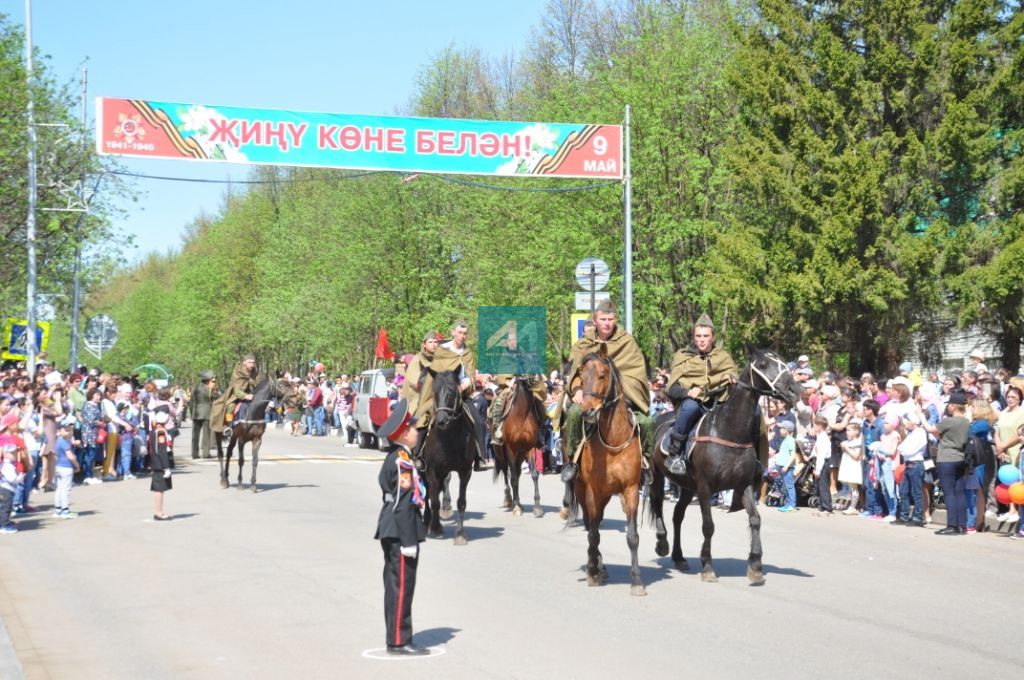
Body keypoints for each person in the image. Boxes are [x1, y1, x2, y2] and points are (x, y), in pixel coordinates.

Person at [561, 300, 652, 482]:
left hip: (621, 397)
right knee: (573, 414)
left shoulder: (627, 342)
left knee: (647, 421)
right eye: (603, 319)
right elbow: (575, 373)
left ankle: (644, 462)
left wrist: (621, 390)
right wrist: (578, 389)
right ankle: (572, 460)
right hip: (590, 397)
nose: (607, 323)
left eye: (610, 319)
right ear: (595, 321)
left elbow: (636, 373)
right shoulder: (583, 344)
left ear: (615, 320)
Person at [373, 399, 429, 656]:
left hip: (393, 528)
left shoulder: (400, 457)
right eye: (414, 428)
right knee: (402, 587)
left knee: (397, 586)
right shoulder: (401, 461)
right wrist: (408, 541)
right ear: (404, 433)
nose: (417, 432)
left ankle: (396, 636)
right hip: (399, 530)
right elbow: (402, 503)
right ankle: (398, 641)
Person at [662, 313, 738, 475]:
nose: (702, 339)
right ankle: (674, 454)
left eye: (705, 336)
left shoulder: (722, 357)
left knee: (751, 411)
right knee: (690, 407)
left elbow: (733, 373)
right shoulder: (683, 356)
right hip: (693, 404)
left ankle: (751, 458)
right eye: (698, 336)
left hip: (719, 402)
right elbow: (671, 388)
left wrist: (732, 379)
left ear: (713, 337)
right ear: (694, 337)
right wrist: (688, 392)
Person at [212, 355, 260, 437]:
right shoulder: (238, 372)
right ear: (244, 362)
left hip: (251, 395)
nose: (251, 364)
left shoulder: (255, 372)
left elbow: (258, 385)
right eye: (249, 362)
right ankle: (228, 426)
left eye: (253, 362)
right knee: (230, 406)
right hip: (235, 395)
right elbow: (236, 390)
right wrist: (246, 396)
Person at [52, 417, 80, 519]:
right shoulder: (63, 441)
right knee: (65, 489)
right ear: (59, 431)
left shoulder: (59, 441)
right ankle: (65, 510)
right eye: (67, 430)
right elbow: (70, 456)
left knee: (59, 489)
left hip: (59, 467)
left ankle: (58, 510)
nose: (69, 432)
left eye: (70, 430)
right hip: (66, 467)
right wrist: (76, 465)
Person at [150, 405, 174, 521]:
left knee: (159, 489)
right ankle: (159, 512)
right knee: (160, 489)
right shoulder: (160, 432)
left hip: (156, 463)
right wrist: (166, 467)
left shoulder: (156, 430)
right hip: (160, 464)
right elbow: (161, 451)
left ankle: (158, 511)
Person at [191, 371, 215, 459]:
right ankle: (205, 454)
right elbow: (215, 397)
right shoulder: (209, 389)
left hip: (196, 413)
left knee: (195, 435)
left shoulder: (194, 388)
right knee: (206, 434)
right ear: (208, 380)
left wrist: (192, 413)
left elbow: (191, 402)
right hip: (206, 414)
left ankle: (194, 453)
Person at [775, 421, 798, 512]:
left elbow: (793, 455)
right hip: (782, 466)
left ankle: (792, 505)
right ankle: (788, 504)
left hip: (787, 468)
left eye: (781, 428)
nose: (780, 430)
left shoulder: (791, 440)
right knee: (786, 486)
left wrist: (786, 466)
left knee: (789, 486)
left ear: (786, 430)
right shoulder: (785, 440)